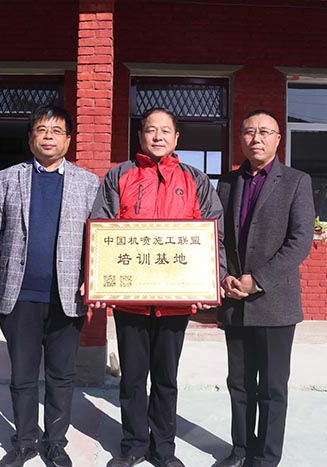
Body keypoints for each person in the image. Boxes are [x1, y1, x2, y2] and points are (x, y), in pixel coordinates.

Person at [91, 107, 224, 467]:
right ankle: (133, 444)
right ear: (140, 136)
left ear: (176, 138)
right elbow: (100, 226)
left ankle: (163, 448)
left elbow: (214, 233)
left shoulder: (195, 179)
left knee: (166, 379)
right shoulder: (119, 175)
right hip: (130, 300)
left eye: (166, 130)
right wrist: (96, 279)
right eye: (151, 130)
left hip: (175, 301)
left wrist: (209, 282)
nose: (158, 136)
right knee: (133, 378)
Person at [0, 105, 100, 467]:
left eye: (56, 130)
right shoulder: (8, 178)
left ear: (68, 139)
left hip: (66, 296)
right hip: (20, 295)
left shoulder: (88, 183)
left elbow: (96, 236)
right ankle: (24, 442)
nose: (48, 136)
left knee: (61, 375)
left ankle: (55, 443)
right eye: (41, 129)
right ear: (31, 137)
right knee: (22, 375)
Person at [214, 110, 315, 467]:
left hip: (275, 302)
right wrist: (223, 275)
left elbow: (299, 241)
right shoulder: (227, 183)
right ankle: (240, 450)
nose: (256, 138)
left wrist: (257, 279)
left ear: (278, 139)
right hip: (235, 301)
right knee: (239, 383)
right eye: (249, 131)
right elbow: (217, 237)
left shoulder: (296, 182)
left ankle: (267, 457)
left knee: (272, 387)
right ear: (240, 137)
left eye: (264, 132)